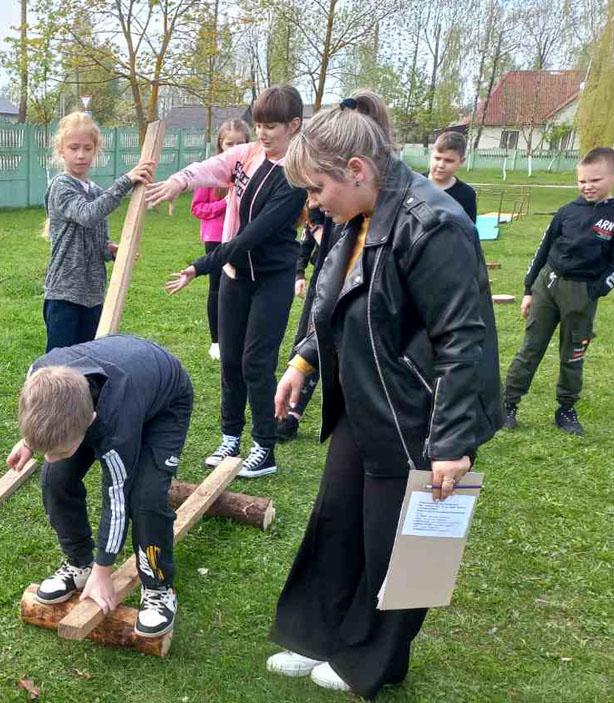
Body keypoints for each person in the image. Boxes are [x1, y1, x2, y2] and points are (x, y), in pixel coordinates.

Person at [266, 91, 501, 697]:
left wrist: (451, 443)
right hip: (366, 398)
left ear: (356, 169)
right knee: (339, 519)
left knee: (404, 543)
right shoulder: (356, 212)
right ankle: (320, 635)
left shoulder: (434, 223)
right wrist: (303, 361)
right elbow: (336, 297)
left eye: (317, 188)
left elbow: (464, 339)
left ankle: (374, 657)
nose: (313, 202)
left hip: (422, 412)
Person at [149, 85, 308, 479]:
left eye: (272, 126)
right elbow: (209, 167)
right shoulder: (247, 155)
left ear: (294, 125)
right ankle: (230, 438)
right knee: (231, 360)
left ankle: (264, 448)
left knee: (257, 363)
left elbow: (250, 237)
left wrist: (199, 266)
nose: (263, 133)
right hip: (236, 277)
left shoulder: (296, 176)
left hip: (271, 279)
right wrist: (178, 182)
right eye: (259, 125)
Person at [5, 335, 193, 638]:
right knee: (55, 478)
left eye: (59, 450)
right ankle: (79, 563)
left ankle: (158, 588)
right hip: (119, 387)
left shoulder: (115, 424)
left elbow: (116, 498)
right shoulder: (38, 375)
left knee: (144, 499)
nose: (49, 457)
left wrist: (104, 570)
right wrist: (30, 441)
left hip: (164, 404)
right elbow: (39, 412)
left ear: (90, 421)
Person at [502, 147, 614, 435]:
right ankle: (508, 405)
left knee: (573, 353)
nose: (587, 186)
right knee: (530, 348)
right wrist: (529, 289)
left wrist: (595, 290)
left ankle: (565, 409)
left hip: (582, 294)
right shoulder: (567, 211)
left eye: (595, 180)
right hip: (547, 286)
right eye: (582, 181)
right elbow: (543, 249)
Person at [41, 112, 155, 351]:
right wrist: (125, 181)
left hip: (92, 294)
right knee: (60, 361)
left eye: (87, 148)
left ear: (95, 150)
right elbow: (88, 214)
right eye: (74, 148)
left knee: (89, 357)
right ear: (61, 150)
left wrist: (110, 250)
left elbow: (96, 236)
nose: (81, 155)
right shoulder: (61, 186)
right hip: (65, 293)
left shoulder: (94, 190)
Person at [190, 119, 251, 361]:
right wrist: (223, 205)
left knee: (241, 287)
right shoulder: (212, 172)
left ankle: (239, 337)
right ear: (220, 145)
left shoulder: (253, 170)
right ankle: (216, 340)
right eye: (229, 143)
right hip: (216, 239)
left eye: (240, 143)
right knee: (217, 288)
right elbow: (197, 208)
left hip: (242, 238)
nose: (235, 148)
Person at [274, 196, 333, 442]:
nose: (312, 198)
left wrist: (317, 226)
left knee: (321, 345)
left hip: (342, 281)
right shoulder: (316, 209)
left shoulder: (343, 210)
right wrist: (299, 273)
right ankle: (288, 412)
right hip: (320, 277)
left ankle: (294, 413)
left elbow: (332, 247)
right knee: (304, 342)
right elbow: (307, 242)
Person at [428, 130, 477, 222]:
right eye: (437, 158)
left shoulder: (467, 194)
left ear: (461, 161)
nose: (441, 165)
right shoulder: (413, 184)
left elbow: (468, 228)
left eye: (449, 161)